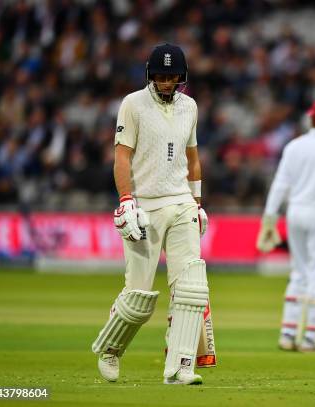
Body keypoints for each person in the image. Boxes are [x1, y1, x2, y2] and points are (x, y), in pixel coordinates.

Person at [91, 43, 209, 385]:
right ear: (150, 75)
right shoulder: (132, 104)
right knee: (139, 297)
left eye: (173, 77)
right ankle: (111, 349)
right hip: (145, 206)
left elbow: (194, 159)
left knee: (191, 289)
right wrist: (127, 200)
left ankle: (180, 366)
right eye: (161, 76)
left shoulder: (190, 107)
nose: (167, 83)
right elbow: (122, 157)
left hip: (181, 201)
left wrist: (197, 203)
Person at [256, 99, 315, 352]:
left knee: (298, 271)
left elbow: (280, 184)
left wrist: (269, 218)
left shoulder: (294, 146)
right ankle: (311, 337)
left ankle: (287, 333)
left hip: (296, 212)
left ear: (312, 120)